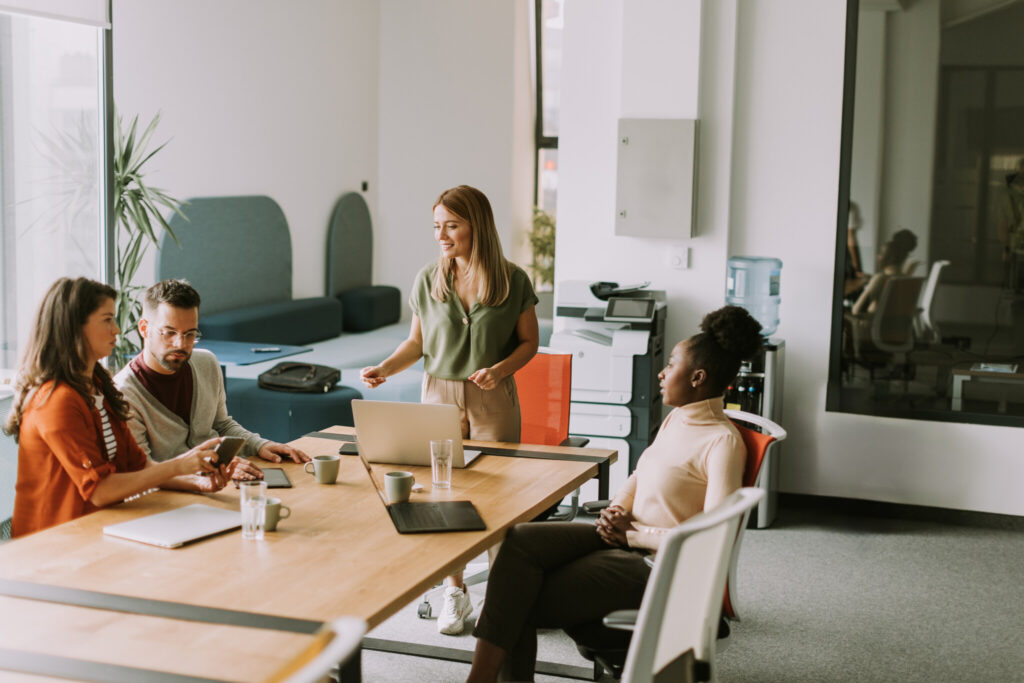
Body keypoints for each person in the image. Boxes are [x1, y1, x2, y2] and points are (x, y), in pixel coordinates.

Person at [465, 305, 763, 682]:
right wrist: (617, 509)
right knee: (520, 539)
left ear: (697, 377)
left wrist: (634, 535)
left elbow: (711, 541)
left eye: (671, 365)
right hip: (625, 537)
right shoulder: (677, 418)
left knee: (519, 596)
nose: (661, 372)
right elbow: (641, 474)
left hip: (658, 566)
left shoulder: (722, 442)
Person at [361, 185, 539, 635]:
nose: (441, 235)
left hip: (493, 396)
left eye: (451, 226)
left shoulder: (513, 280)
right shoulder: (428, 278)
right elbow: (416, 343)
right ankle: (454, 591)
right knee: (444, 492)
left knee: (501, 496)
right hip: (438, 395)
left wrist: (499, 370)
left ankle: (502, 594)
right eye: (436, 226)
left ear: (477, 226)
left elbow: (529, 343)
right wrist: (385, 368)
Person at [2, 278, 230, 538]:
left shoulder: (100, 386)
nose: (117, 330)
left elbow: (140, 468)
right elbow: (99, 491)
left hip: (100, 529)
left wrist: (198, 482)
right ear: (76, 327)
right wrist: (179, 466)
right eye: (108, 320)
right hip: (54, 543)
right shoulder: (56, 401)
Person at [114, 279, 309, 490]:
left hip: (220, 481)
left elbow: (221, 425)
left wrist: (260, 445)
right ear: (144, 328)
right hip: (173, 494)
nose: (181, 344)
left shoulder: (206, 362)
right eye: (169, 332)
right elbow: (143, 470)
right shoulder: (123, 393)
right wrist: (203, 475)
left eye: (190, 334)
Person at [851, 228, 918, 316]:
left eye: (880, 253)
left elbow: (856, 310)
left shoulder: (880, 278)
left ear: (888, 257)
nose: (877, 256)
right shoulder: (906, 279)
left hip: (872, 323)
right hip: (895, 324)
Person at [998, 158, 1024, 292]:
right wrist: (1006, 247)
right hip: (1015, 246)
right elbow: (1003, 221)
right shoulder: (1008, 194)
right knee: (1014, 288)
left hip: (1015, 245)